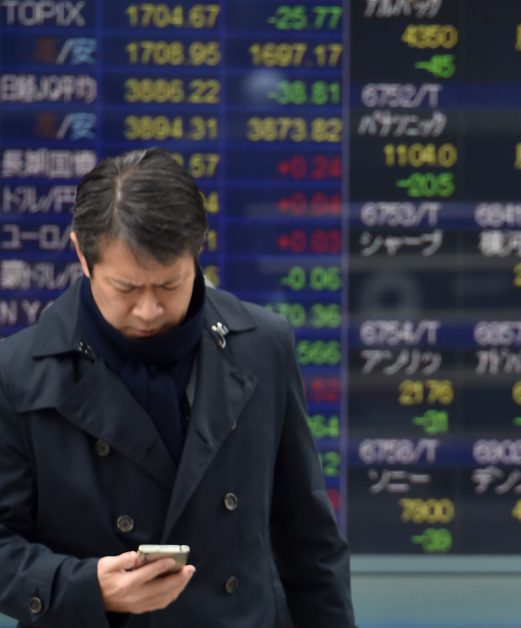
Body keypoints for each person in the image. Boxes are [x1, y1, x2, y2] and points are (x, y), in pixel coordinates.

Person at [0, 148, 356, 627]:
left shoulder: (263, 346)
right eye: (126, 289)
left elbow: (310, 542)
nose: (148, 311)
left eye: (170, 285)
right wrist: (87, 586)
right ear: (83, 257)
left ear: (197, 252)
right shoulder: (17, 373)